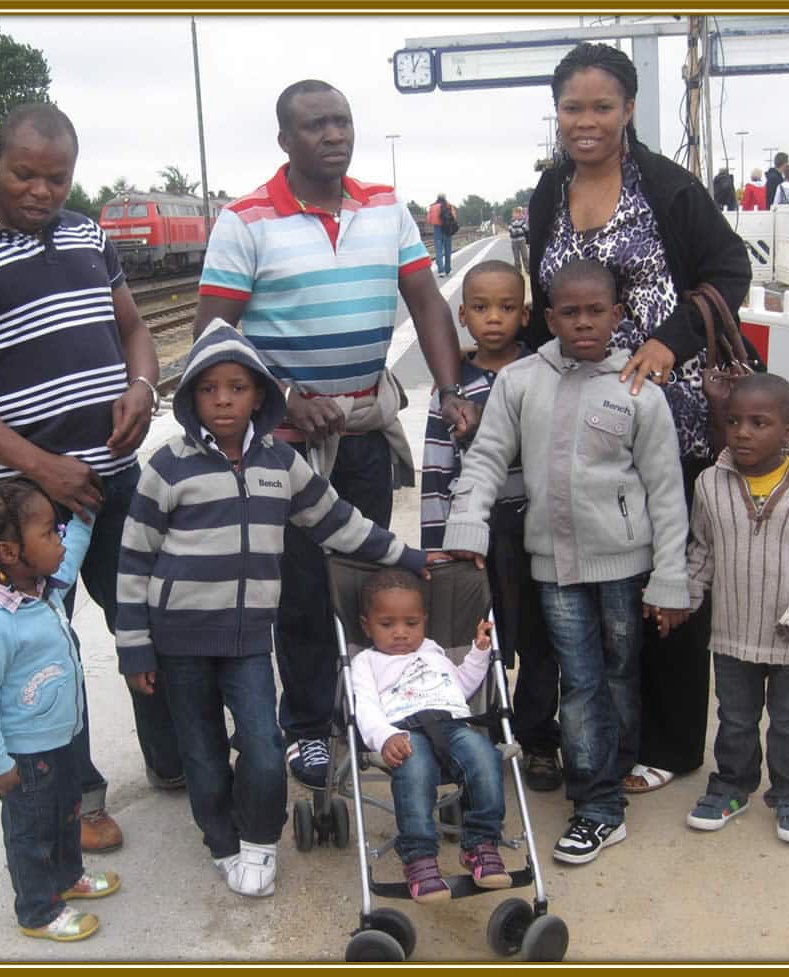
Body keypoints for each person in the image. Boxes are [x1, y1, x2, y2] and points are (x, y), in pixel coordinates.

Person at [0, 102, 182, 855]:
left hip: (115, 480)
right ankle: (76, 801)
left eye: (56, 178)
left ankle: (171, 759)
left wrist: (142, 386)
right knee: (41, 655)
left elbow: (133, 329)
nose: (41, 190)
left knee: (145, 621)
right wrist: (39, 466)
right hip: (16, 503)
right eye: (25, 173)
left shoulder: (89, 236)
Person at [192, 79, 476, 792]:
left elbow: (426, 301)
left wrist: (451, 391)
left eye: (342, 122)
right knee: (300, 592)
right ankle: (310, 726)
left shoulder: (385, 206)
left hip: (364, 432)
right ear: (285, 140)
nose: (334, 135)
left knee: (362, 582)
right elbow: (213, 336)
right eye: (316, 125)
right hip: (284, 444)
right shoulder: (246, 220)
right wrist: (283, 393)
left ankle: (365, 705)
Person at [115, 320, 430, 897]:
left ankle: (260, 837)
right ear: (190, 399)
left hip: (248, 643)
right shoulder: (167, 467)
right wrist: (134, 645)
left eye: (237, 387)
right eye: (209, 390)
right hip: (177, 643)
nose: (223, 400)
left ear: (259, 393)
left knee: (262, 745)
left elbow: (339, 523)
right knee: (203, 755)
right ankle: (222, 841)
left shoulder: (281, 463)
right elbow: (134, 560)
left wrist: (407, 557)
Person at [523, 42, 754, 799]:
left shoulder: (667, 187)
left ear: (627, 111)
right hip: (576, 421)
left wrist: (668, 340)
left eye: (601, 107)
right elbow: (541, 301)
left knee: (668, 572)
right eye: (571, 108)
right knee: (602, 582)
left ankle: (673, 741)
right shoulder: (550, 190)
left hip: (667, 418)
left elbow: (729, 270)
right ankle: (603, 732)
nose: (585, 122)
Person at [444, 259, 691, 865]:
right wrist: (468, 524)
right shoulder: (521, 381)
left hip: (624, 566)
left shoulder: (639, 390)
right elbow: (486, 458)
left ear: (618, 316)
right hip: (552, 568)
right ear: (550, 318)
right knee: (580, 683)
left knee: (619, 676)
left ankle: (612, 763)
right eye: (570, 313)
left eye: (596, 312)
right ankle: (598, 806)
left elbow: (665, 490)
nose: (584, 324)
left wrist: (670, 576)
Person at [684, 374, 789, 844]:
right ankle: (733, 785)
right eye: (733, 421)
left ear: (788, 432)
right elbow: (703, 551)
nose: (743, 432)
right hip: (734, 633)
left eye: (760, 423)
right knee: (735, 718)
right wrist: (687, 599)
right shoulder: (710, 485)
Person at [0, 477, 120, 942]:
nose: (59, 541)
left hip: (61, 737)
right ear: (10, 553)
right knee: (32, 832)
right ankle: (38, 909)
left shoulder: (41, 588)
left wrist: (83, 516)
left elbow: (76, 548)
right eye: (49, 533)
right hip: (24, 757)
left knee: (67, 814)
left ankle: (68, 878)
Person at [420, 259, 561, 792]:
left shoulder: (544, 372)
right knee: (480, 639)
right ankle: (478, 735)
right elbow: (436, 472)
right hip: (474, 540)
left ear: (526, 315)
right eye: (480, 308)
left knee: (541, 640)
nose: (494, 318)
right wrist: (437, 547)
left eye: (506, 308)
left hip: (537, 531)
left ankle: (539, 738)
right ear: (462, 314)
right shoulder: (450, 389)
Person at [351, 568, 511, 902]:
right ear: (367, 625)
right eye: (387, 624)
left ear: (424, 620)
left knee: (485, 755)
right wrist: (384, 737)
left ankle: (481, 844)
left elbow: (461, 687)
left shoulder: (434, 650)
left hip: (452, 723)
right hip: (404, 731)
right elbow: (364, 708)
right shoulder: (367, 662)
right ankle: (420, 857)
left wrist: (479, 653)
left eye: (411, 624)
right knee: (415, 768)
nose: (400, 634)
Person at [427, 192, 458, 277]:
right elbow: (454, 217)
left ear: (437, 198)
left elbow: (429, 220)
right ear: (445, 198)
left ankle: (441, 271)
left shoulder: (432, 207)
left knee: (438, 251)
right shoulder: (449, 205)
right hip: (447, 229)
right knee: (448, 250)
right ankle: (448, 270)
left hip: (437, 230)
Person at [508, 206, 530, 275]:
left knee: (525, 256)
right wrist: (517, 230)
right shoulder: (511, 222)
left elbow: (525, 229)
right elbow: (510, 229)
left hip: (522, 241)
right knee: (516, 257)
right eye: (514, 213)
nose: (515, 215)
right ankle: (518, 270)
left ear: (520, 214)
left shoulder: (522, 221)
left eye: (517, 213)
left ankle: (528, 269)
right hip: (514, 241)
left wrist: (517, 230)